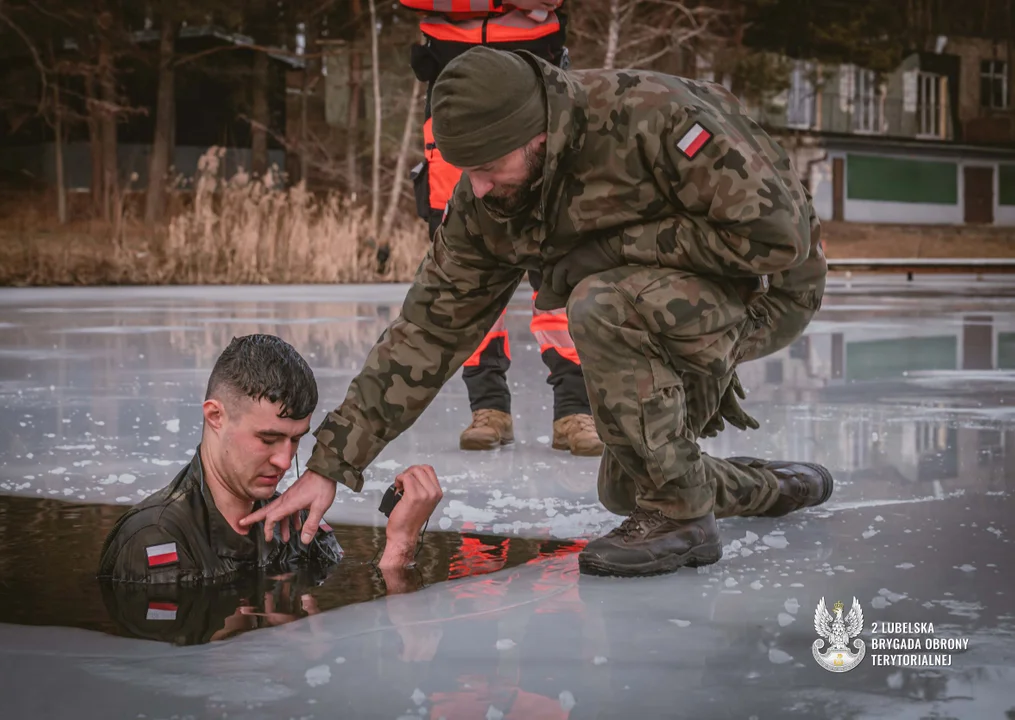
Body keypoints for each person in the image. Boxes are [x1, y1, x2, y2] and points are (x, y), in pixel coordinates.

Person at [242, 48, 832, 578]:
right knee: (629, 484)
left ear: (537, 135)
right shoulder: (489, 199)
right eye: (465, 170)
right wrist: (331, 463)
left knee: (600, 301)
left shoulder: (648, 116)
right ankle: (769, 487)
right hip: (663, 291)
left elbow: (776, 238)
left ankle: (683, 520)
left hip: (767, 288)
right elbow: (427, 330)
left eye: (489, 166)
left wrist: (604, 255)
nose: (477, 186)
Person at [400, 0, 602, 456]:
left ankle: (575, 407)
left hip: (535, 72)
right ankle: (487, 407)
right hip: (452, 80)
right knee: (463, 265)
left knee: (561, 252)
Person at [97, 334, 443, 584]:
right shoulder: (155, 539)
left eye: (296, 440)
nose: (284, 460)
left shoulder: (298, 526)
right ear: (215, 417)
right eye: (268, 438)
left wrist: (401, 541)